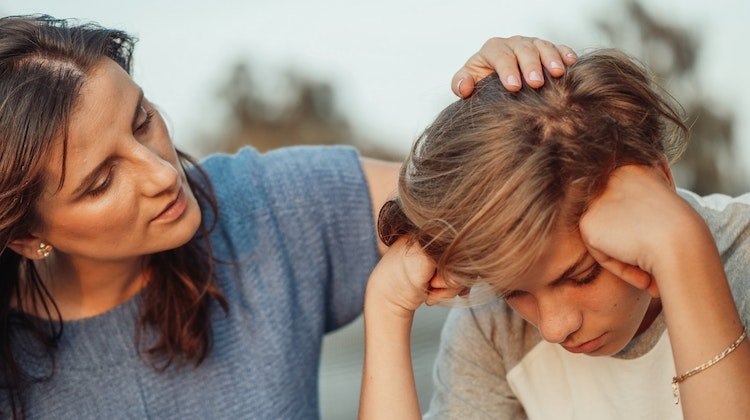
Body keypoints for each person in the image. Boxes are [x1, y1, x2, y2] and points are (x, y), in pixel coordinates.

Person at [0, 14, 577, 419]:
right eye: (102, 181)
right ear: (27, 237)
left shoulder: (268, 205)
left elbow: (493, 194)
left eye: (142, 119)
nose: (162, 174)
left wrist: (511, 107)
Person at [360, 49, 750, 419]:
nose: (553, 327)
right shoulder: (494, 329)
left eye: (582, 275)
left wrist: (682, 248)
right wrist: (386, 308)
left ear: (661, 183)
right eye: (513, 291)